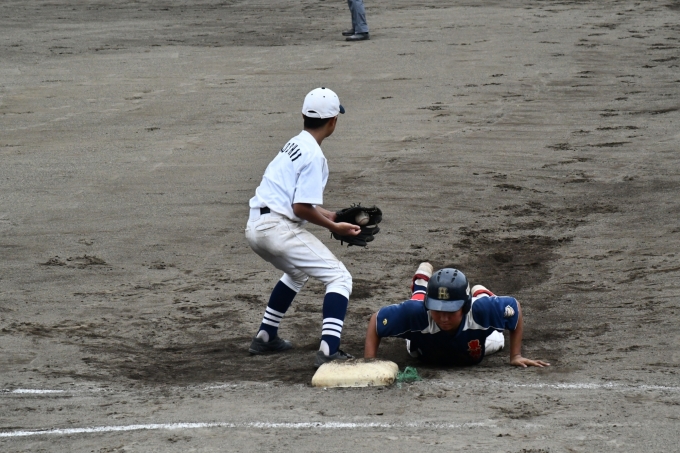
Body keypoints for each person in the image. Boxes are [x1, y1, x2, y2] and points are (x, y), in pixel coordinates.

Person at [245, 87, 361, 367]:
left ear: (304, 116)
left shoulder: (294, 144)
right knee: (339, 278)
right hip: (277, 229)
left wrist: (332, 216)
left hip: (255, 227)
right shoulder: (315, 156)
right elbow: (300, 209)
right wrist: (334, 228)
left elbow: (296, 201)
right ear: (333, 121)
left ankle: (266, 335)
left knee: (296, 273)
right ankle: (329, 349)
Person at [364, 263, 550, 368]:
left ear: (465, 306)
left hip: (471, 347)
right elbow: (376, 321)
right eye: (437, 310)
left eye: (451, 312)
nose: (443, 318)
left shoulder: (480, 312)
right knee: (415, 305)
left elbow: (514, 308)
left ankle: (481, 293)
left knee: (498, 339)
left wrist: (515, 355)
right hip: (422, 347)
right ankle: (421, 285)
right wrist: (369, 363)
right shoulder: (417, 315)